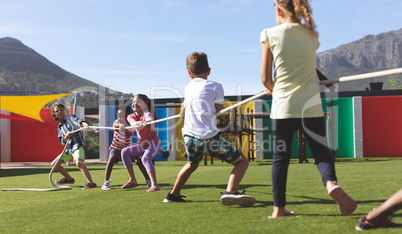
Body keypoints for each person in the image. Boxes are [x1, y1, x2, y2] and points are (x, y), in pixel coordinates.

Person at [260, 0, 357, 218]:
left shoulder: (268, 34)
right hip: (311, 106)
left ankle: (279, 209)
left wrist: (273, 90)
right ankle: (331, 183)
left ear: (277, 9)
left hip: (283, 107)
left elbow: (266, 78)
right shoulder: (312, 36)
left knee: (280, 158)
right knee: (321, 151)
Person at [163, 52, 256, 207]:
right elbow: (221, 114)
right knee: (242, 162)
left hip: (190, 138)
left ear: (189, 73)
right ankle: (230, 192)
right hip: (209, 138)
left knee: (192, 164)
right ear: (209, 70)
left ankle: (172, 195)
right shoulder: (215, 86)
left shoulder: (188, 88)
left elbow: (181, 113)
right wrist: (222, 115)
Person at [101, 105, 151, 190]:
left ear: (128, 115)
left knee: (138, 160)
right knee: (111, 160)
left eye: (124, 116)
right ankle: (106, 183)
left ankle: (148, 180)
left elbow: (130, 133)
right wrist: (120, 126)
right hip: (116, 147)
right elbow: (116, 126)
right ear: (117, 116)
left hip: (127, 148)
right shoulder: (116, 122)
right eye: (119, 116)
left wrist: (125, 129)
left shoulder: (131, 124)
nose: (121, 118)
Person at [121, 94, 162, 192]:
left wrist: (147, 122)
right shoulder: (130, 116)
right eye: (134, 102)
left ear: (145, 104)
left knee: (145, 158)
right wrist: (135, 125)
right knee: (124, 152)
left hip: (154, 144)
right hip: (142, 145)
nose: (135, 104)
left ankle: (154, 185)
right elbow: (132, 124)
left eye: (138, 102)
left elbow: (149, 119)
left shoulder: (147, 113)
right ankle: (133, 180)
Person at [50, 103, 97, 189]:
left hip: (77, 145)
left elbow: (78, 121)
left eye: (61, 110)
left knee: (78, 163)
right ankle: (69, 179)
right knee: (54, 164)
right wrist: (66, 136)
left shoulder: (70, 118)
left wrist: (84, 124)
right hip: (68, 149)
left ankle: (91, 183)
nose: (60, 112)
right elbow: (62, 141)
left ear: (64, 111)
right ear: (54, 114)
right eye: (57, 111)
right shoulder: (59, 127)